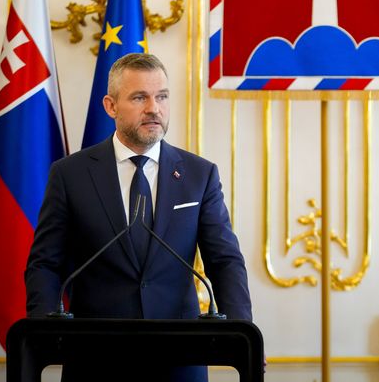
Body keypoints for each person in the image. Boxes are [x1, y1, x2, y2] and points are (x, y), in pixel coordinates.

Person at [25, 53, 252, 382]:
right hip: (95, 355)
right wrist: (43, 335)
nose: (153, 108)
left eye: (161, 97)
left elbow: (225, 261)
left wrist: (242, 336)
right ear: (110, 106)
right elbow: (45, 263)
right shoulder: (69, 175)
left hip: (181, 355)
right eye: (139, 97)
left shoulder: (198, 175)